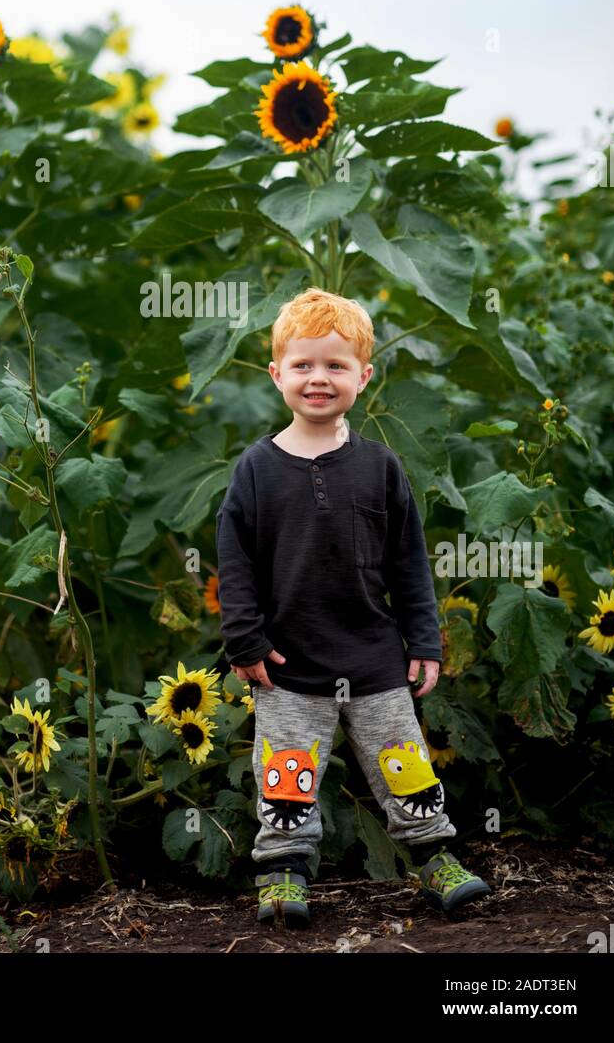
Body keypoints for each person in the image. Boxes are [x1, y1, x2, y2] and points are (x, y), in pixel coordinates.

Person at [215, 287, 491, 927]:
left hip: (373, 658)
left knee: (405, 765)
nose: (319, 378)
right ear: (276, 373)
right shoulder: (256, 469)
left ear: (364, 376)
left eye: (336, 366)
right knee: (287, 776)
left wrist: (424, 640)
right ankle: (283, 871)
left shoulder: (381, 468)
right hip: (288, 660)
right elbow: (235, 563)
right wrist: (245, 641)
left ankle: (433, 861)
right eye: (304, 364)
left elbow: (409, 563)